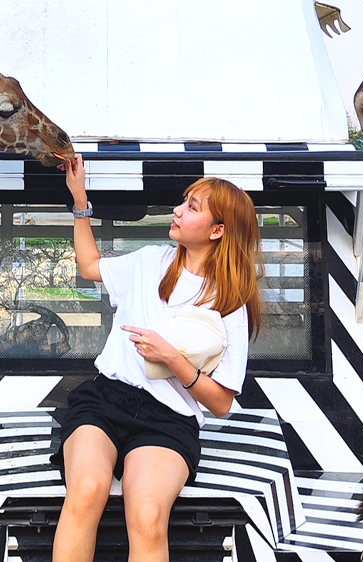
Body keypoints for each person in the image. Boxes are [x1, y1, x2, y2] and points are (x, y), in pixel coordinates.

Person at [51, 153, 264, 562]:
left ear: (218, 230)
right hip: (105, 401)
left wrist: (173, 360)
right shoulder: (151, 261)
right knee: (86, 491)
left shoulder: (230, 302)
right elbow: (90, 265)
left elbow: (221, 402)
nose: (177, 210)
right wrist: (80, 201)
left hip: (168, 421)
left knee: (148, 516)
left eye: (191, 207)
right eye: (183, 202)